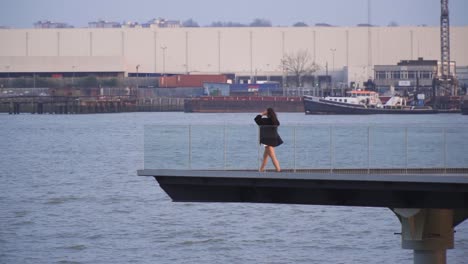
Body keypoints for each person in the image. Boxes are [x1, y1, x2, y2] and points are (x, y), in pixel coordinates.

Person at [254, 108, 283, 172]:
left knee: (273, 157)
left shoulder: (266, 121)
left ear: (267, 113)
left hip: (268, 141)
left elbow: (256, 119)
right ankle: (261, 170)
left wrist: (262, 114)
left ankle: (279, 170)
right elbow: (277, 123)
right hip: (273, 140)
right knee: (265, 157)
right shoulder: (275, 121)